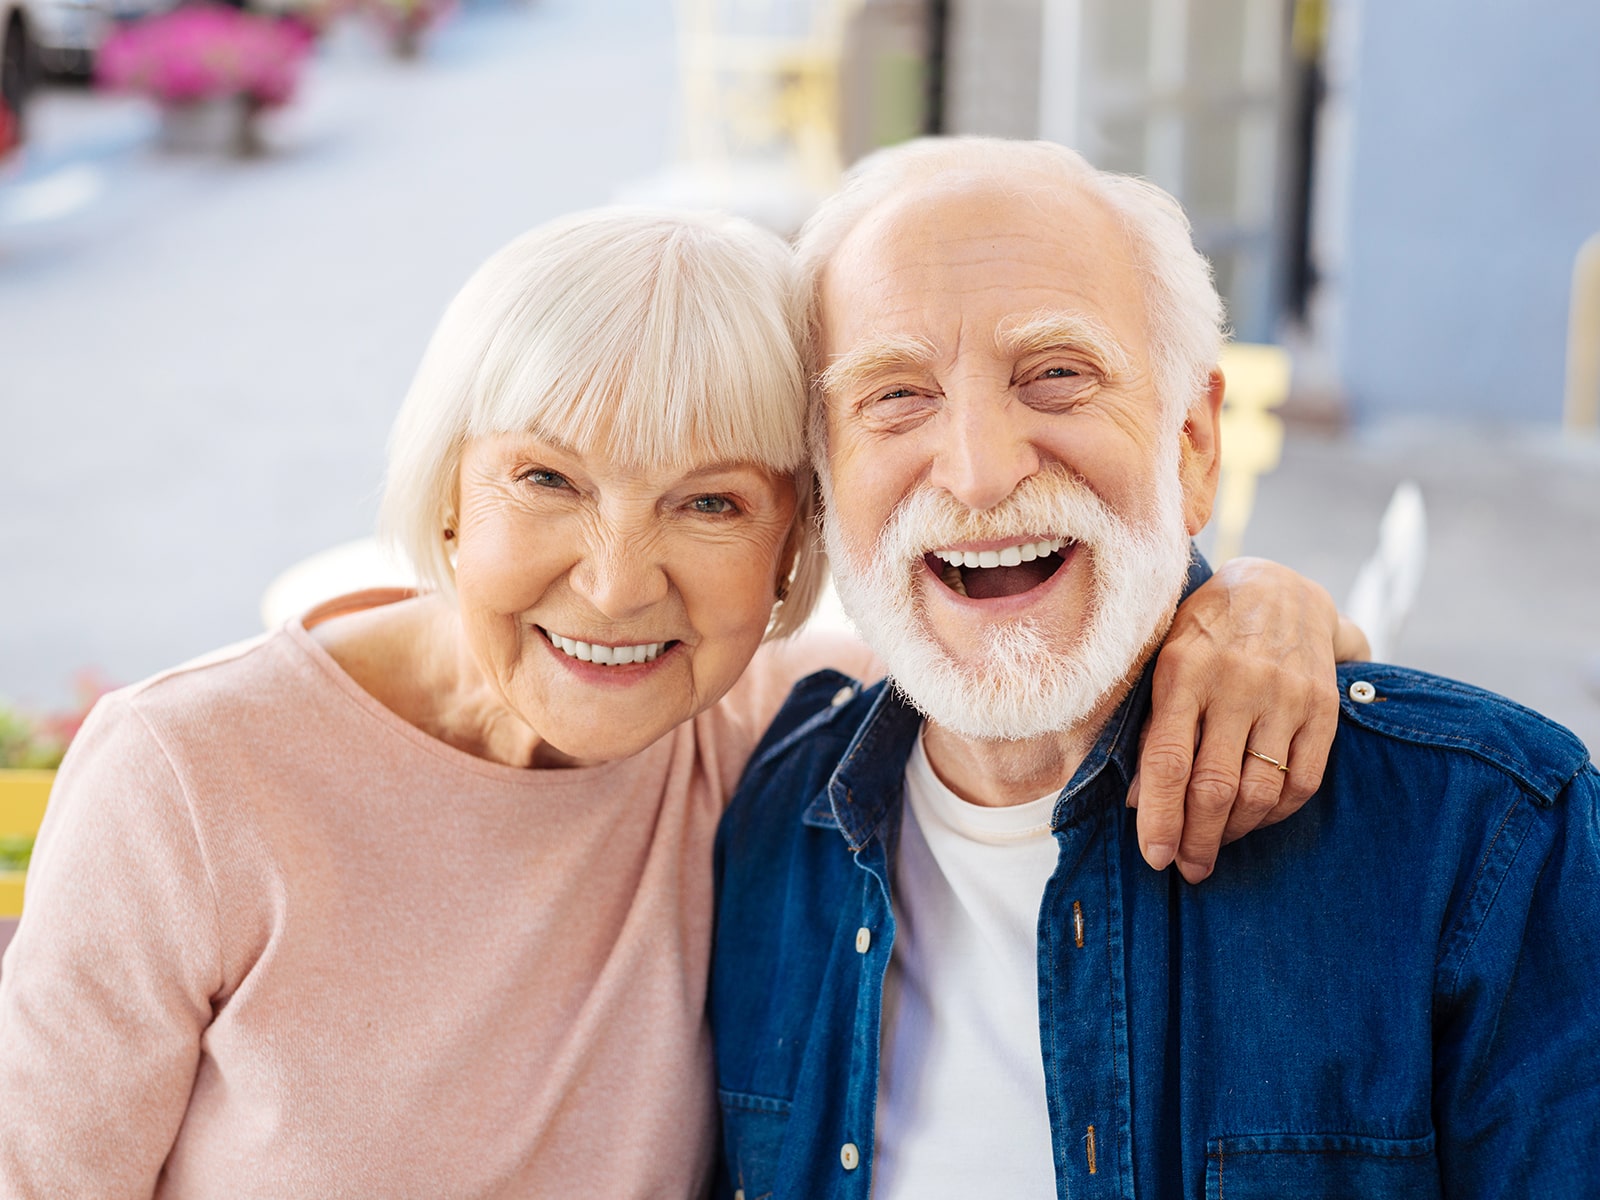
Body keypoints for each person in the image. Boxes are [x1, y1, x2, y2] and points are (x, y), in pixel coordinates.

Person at [0, 208, 1351, 1199]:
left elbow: (1066, 641)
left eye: (710, 503)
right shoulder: (189, 777)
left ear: (789, 554)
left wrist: (1254, 607)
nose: (613, 581)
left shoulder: (782, 734)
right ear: (449, 491)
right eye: (547, 479)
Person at [710, 137, 1600, 1200]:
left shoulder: (1488, 835)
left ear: (1192, 446)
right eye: (896, 396)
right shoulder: (761, 816)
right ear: (823, 483)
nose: (980, 471)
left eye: (1055, 375)